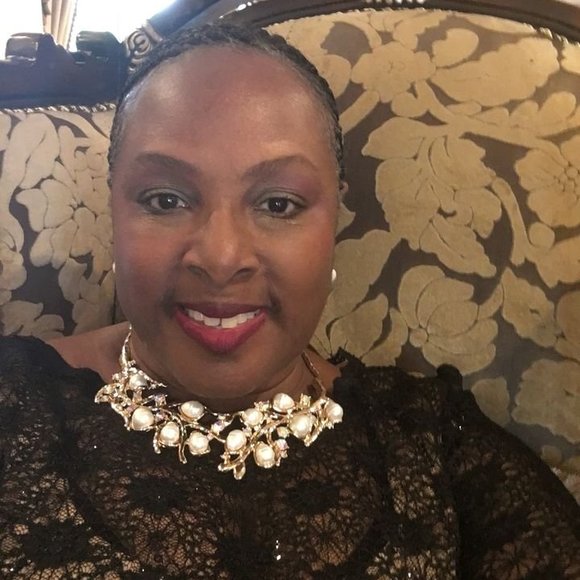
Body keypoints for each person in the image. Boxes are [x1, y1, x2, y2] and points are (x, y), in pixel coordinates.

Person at [0, 22, 579, 579]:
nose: (221, 257)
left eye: (278, 204)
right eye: (165, 200)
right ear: (114, 209)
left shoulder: (432, 443)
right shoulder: (14, 401)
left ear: (334, 221)